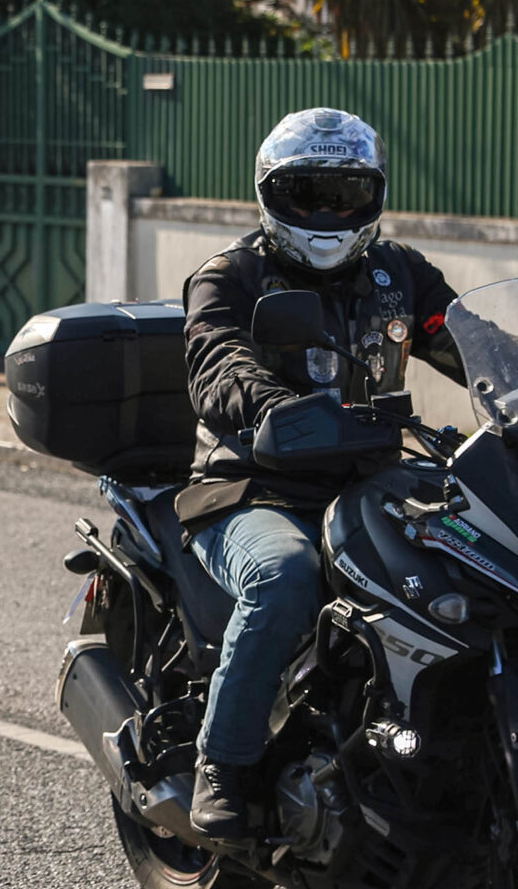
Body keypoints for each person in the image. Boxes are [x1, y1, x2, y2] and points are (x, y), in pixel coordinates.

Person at [176, 108, 466, 837]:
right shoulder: (230, 276)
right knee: (285, 574)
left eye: (346, 194)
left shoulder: (399, 274)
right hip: (250, 486)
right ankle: (224, 761)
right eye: (307, 194)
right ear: (271, 194)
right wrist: (273, 405)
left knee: (472, 567)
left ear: (373, 196)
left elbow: (470, 341)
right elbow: (217, 363)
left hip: (370, 487)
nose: (328, 213)